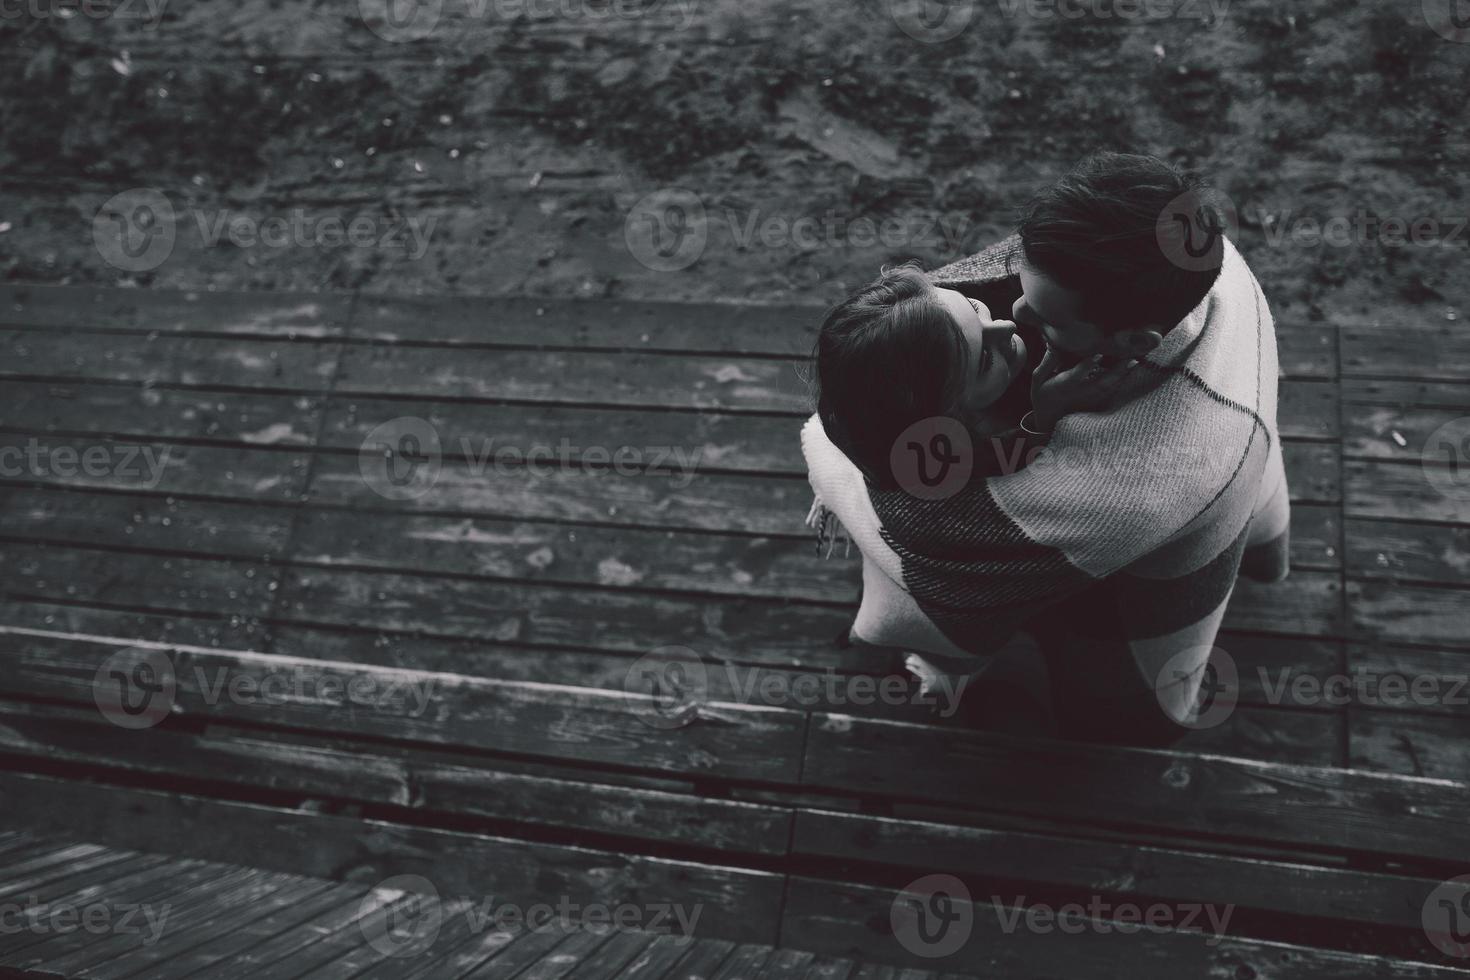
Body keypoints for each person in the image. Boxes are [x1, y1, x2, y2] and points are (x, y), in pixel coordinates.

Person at [803, 151, 1289, 745]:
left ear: (1137, 340)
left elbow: (953, 545)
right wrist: (1045, 410)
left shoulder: (1154, 478)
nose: (1015, 316)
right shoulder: (1189, 254)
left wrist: (1041, 413)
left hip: (1145, 563)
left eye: (1048, 321)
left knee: (1102, 677)